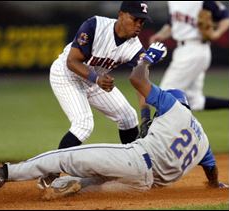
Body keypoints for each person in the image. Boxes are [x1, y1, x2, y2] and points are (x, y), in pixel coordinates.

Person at [0, 42, 229, 200]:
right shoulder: (202, 139)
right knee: (82, 188)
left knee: (65, 158)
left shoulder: (172, 107)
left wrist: (146, 59)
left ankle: (4, 173)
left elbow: (138, 80)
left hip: (134, 160)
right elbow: (211, 169)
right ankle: (66, 185)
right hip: (142, 187)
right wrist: (215, 184)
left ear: (172, 102)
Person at [45, 0, 153, 186]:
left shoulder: (134, 46)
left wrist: (145, 114)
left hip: (96, 80)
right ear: (121, 14)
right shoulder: (95, 25)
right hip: (66, 75)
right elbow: (72, 62)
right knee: (83, 124)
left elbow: (141, 79)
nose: (138, 25)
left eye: (142, 22)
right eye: (135, 19)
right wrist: (96, 79)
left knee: (128, 117)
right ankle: (49, 175)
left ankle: (131, 168)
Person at [149, 1, 229, 111]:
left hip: (194, 48)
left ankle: (162, 128)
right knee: (194, 101)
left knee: (165, 94)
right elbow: (172, 24)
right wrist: (160, 35)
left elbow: (225, 18)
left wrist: (217, 33)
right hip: (184, 50)